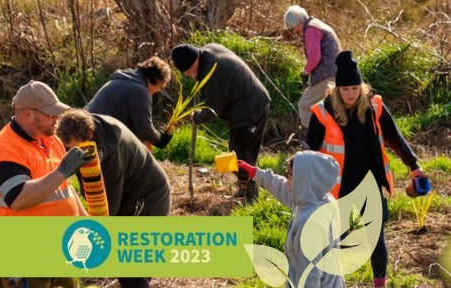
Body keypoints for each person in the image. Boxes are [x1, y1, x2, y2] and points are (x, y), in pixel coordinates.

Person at [305, 50, 426, 288]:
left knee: (376, 238)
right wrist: (296, 173)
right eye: (345, 89)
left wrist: (414, 165)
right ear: (337, 89)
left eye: (354, 88)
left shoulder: (374, 108)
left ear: (361, 86)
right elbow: (308, 150)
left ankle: (379, 284)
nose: (351, 94)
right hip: (338, 188)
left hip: (370, 182)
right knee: (334, 241)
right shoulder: (323, 112)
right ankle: (330, 283)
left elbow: (395, 139)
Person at [0, 80, 89, 288]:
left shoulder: (52, 140)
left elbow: (63, 189)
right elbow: (18, 198)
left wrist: (87, 224)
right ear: (28, 114)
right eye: (50, 114)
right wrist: (63, 170)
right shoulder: (4, 149)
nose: (57, 118)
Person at [57, 109, 172, 288]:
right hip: (134, 192)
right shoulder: (93, 130)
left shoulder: (109, 156)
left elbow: (109, 209)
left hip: (147, 198)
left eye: (75, 148)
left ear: (89, 134)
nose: (72, 152)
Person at [171, 43, 271, 203]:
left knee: (242, 156)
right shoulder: (207, 52)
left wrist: (195, 117)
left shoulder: (215, 70)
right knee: (237, 151)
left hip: (251, 110)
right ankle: (244, 189)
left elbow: (213, 109)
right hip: (243, 108)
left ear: (192, 63)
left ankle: (251, 197)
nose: (186, 74)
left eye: (186, 71)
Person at [238, 151, 346, 288]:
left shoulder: (309, 225)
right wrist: (255, 173)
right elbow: (285, 189)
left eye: (289, 176)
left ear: (303, 181)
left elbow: (310, 279)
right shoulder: (324, 200)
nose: (286, 181)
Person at [86, 56, 173, 149]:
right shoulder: (139, 91)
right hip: (99, 137)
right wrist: (159, 138)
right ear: (157, 80)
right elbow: (143, 130)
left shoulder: (122, 80)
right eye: (160, 87)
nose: (158, 90)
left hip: (87, 130)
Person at [283, 5, 341, 129]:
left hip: (327, 75)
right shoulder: (318, 24)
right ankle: (329, 136)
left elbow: (314, 57)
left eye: (292, 28)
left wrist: (305, 71)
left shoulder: (311, 29)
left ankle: (314, 140)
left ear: (296, 22)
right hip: (336, 73)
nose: (294, 31)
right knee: (325, 107)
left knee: (304, 105)